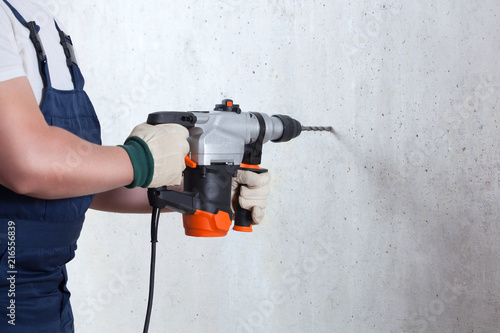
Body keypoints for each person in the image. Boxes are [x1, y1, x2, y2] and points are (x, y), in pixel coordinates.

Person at [0, 0, 270, 332]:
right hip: (9, 295)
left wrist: (200, 189)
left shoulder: (46, 24)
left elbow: (75, 181)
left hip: (49, 293)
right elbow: (27, 164)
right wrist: (141, 158)